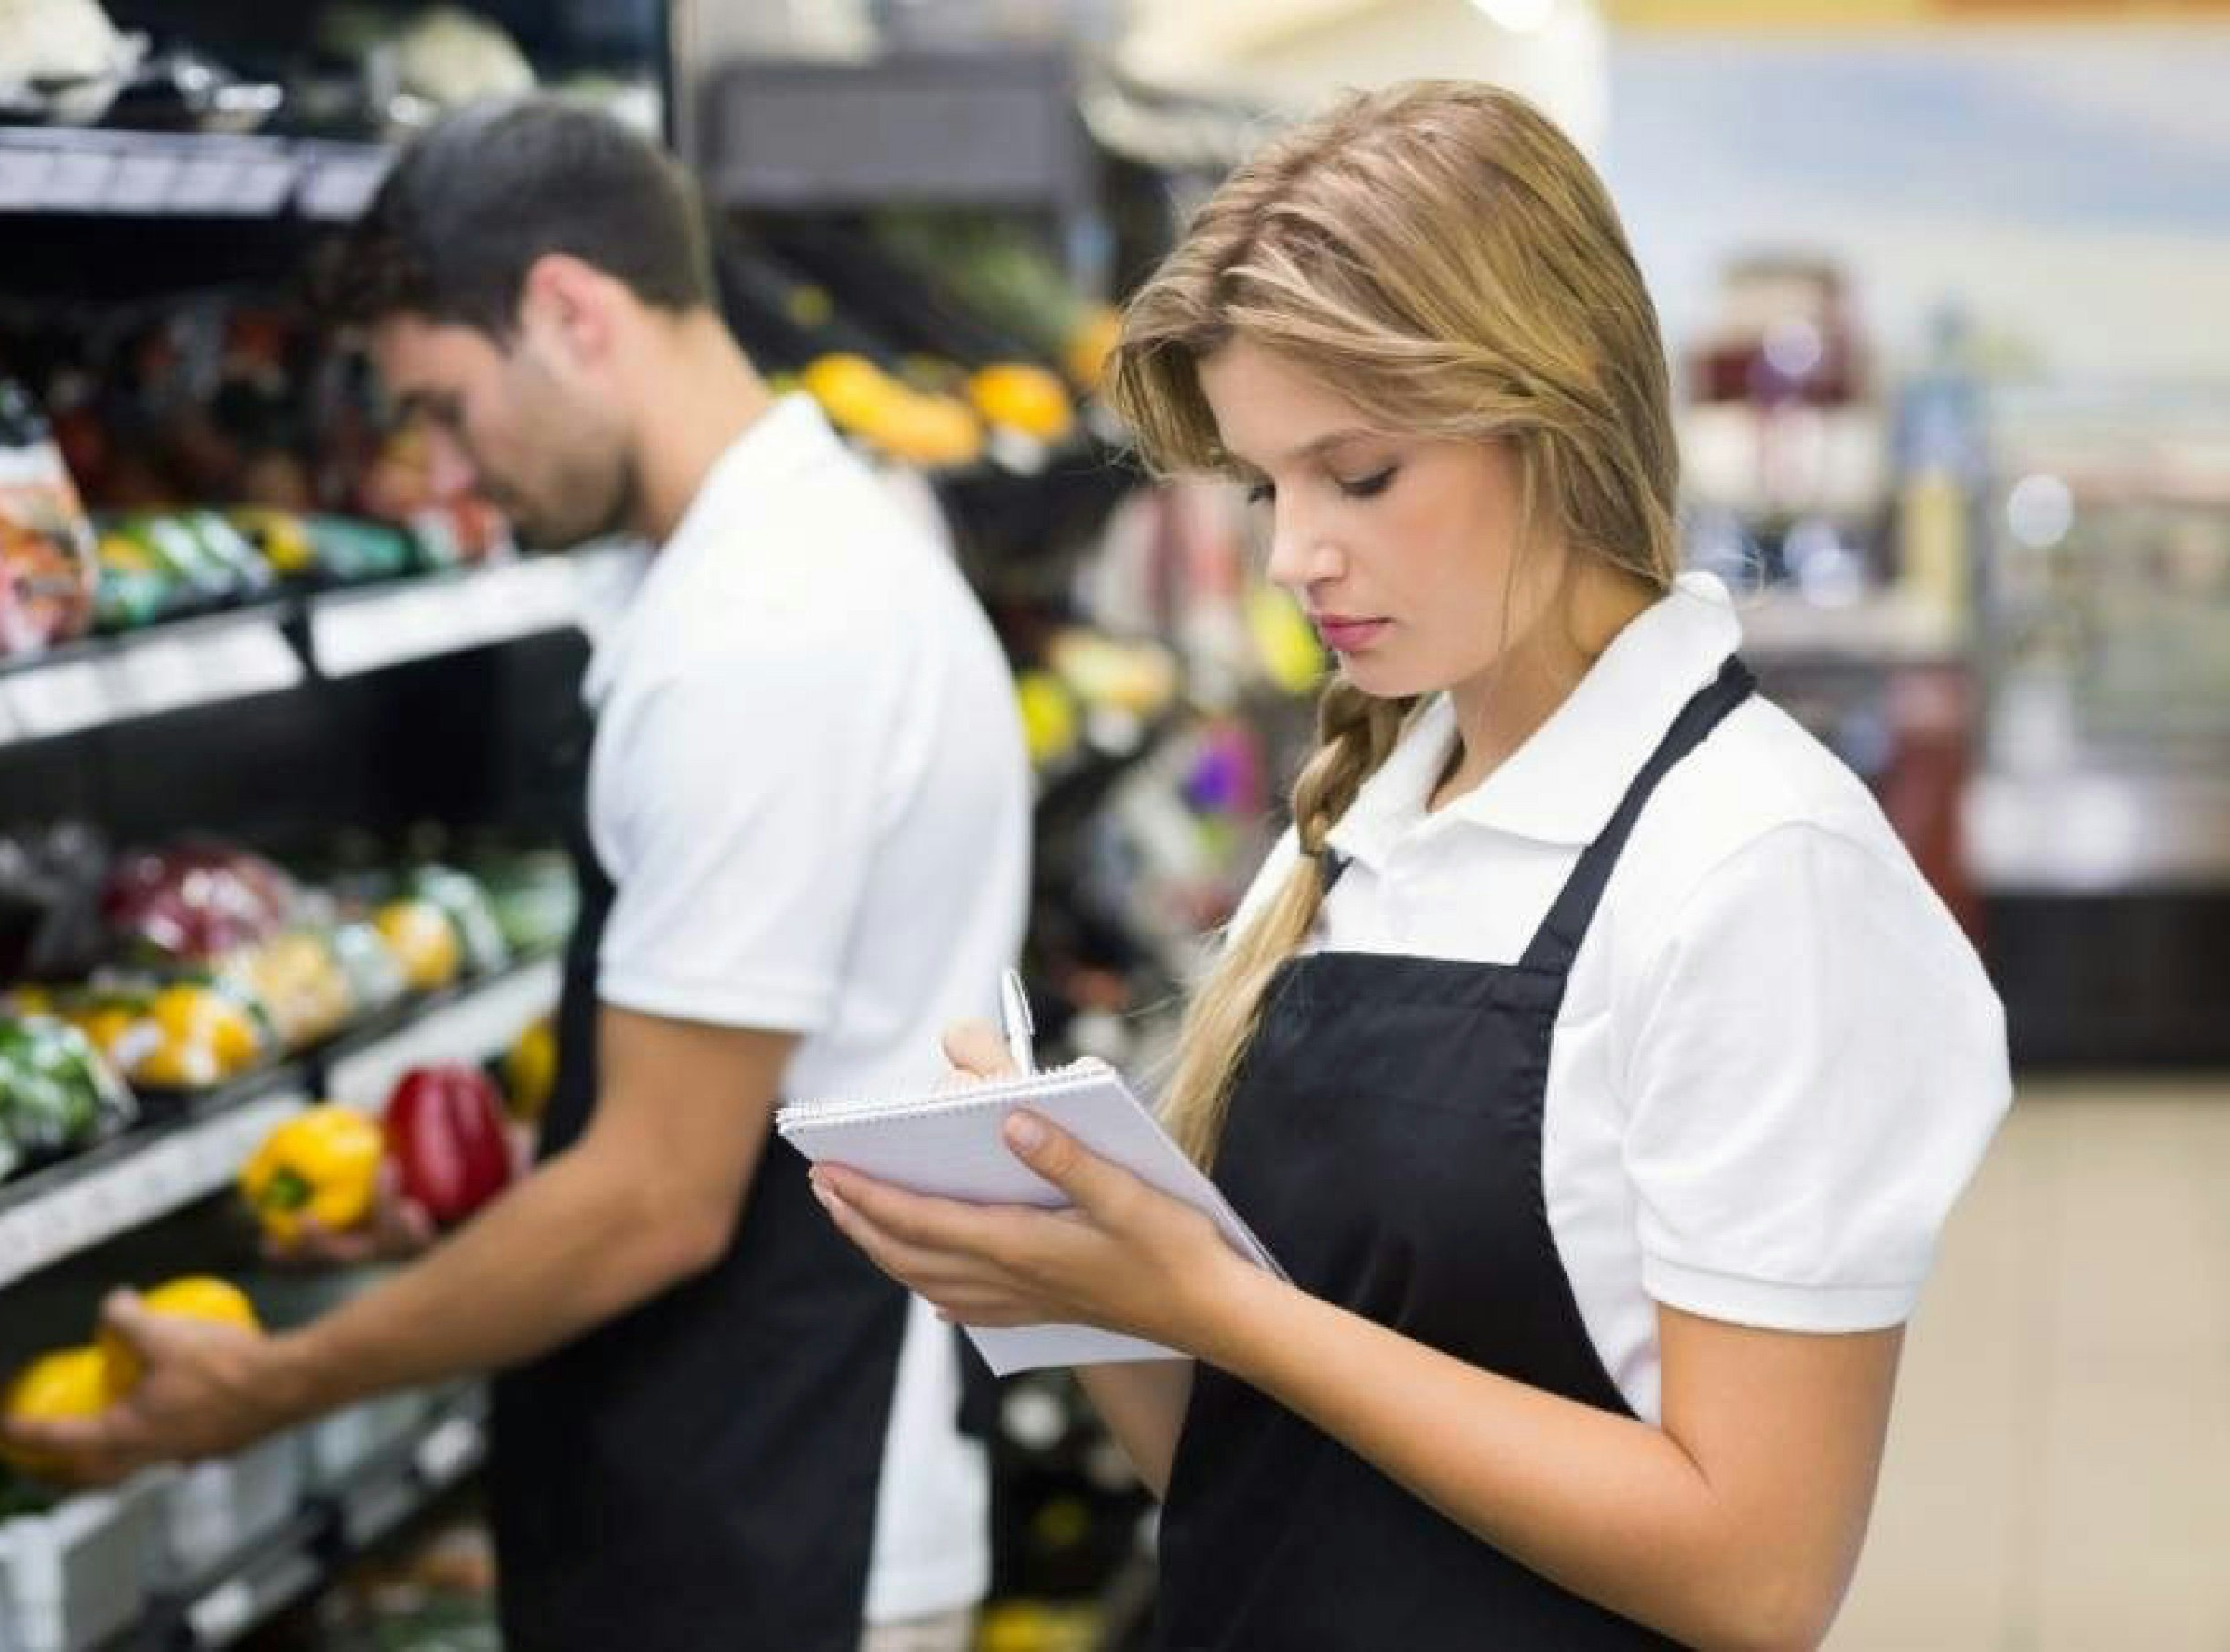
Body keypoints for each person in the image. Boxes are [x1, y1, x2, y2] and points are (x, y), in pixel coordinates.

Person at [810, 80, 2009, 1649]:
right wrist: (1079, 1278)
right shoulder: (1355, 830)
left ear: (1559, 410)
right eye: (1265, 487)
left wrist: (1229, 1308)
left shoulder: (1753, 871)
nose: (1296, 552)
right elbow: (1245, 1475)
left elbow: (1756, 1572)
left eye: (1358, 474)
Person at [8, 99, 1028, 1652]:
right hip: (738, 1475)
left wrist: (266, 1392)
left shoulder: (766, 633)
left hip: (785, 1522)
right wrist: (463, 1220)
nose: (444, 467)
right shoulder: (796, 549)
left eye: (442, 404)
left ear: (569, 312)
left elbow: (656, 1204)